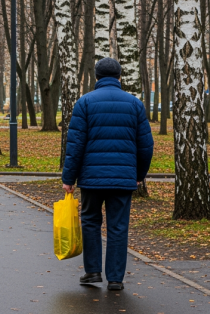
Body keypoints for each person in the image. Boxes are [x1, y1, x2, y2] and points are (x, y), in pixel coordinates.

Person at [62, 57, 153, 291]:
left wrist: (68, 179)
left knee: (91, 221)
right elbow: (146, 145)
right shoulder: (135, 104)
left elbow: (75, 144)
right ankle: (115, 278)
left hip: (92, 179)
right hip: (123, 179)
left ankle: (92, 271)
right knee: (118, 226)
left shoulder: (84, 103)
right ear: (119, 77)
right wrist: (139, 174)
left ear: (97, 77)